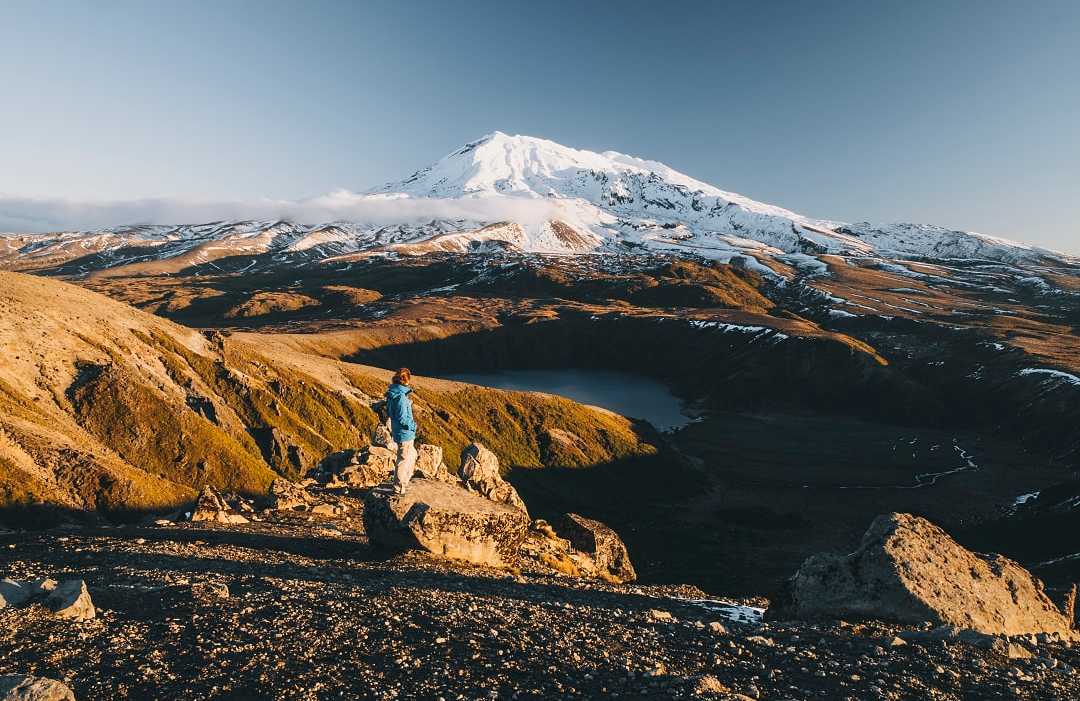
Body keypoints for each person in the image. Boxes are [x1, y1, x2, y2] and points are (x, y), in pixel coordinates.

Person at [385, 367, 418, 495]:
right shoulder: (401, 397)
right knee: (404, 459)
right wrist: (413, 426)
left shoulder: (393, 393)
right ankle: (399, 487)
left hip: (399, 431)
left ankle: (403, 483)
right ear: (405, 380)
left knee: (411, 455)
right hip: (405, 433)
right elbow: (402, 418)